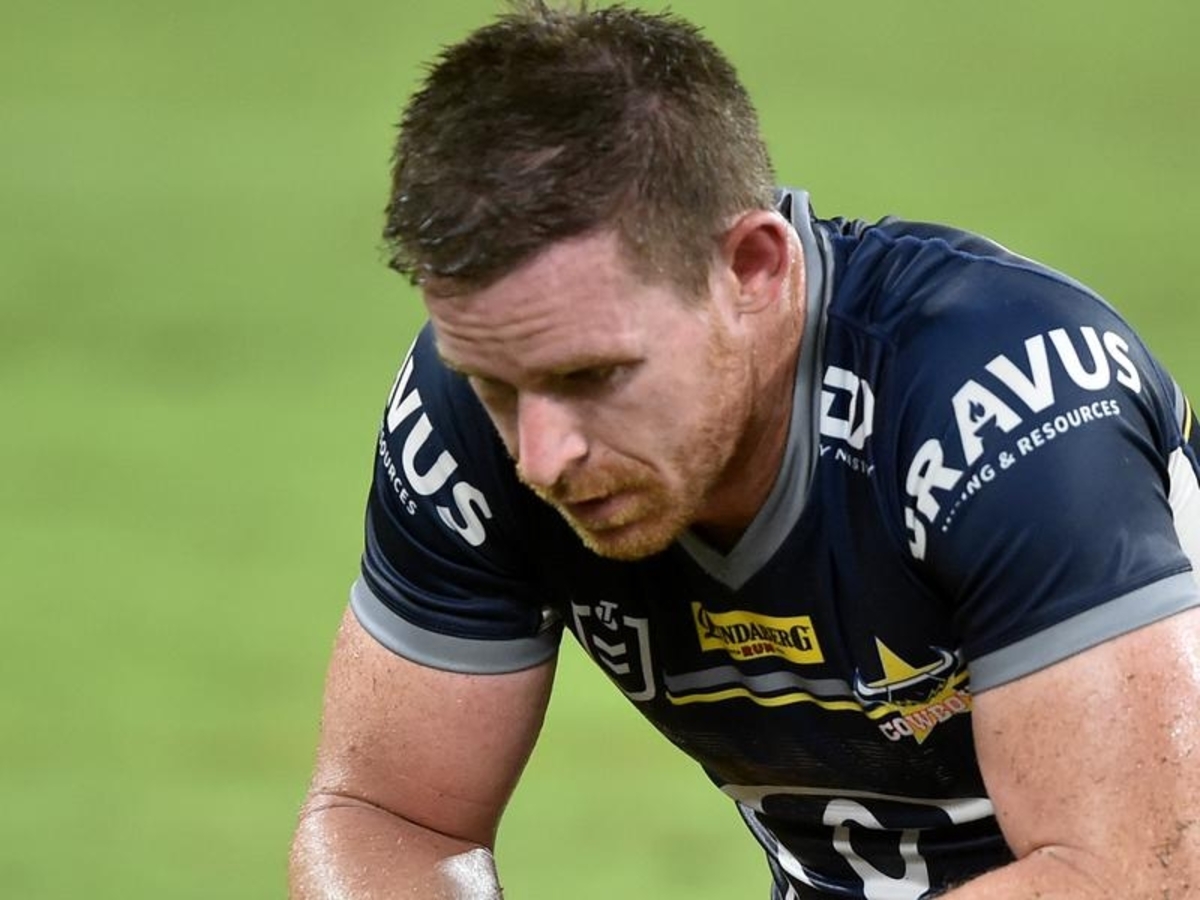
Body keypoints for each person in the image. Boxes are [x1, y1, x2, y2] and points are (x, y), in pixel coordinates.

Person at [288, 2, 1200, 897]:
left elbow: (1133, 875)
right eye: (494, 383)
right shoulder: (473, 423)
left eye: (595, 375)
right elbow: (387, 816)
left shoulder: (1001, 404)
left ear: (752, 267)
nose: (543, 458)